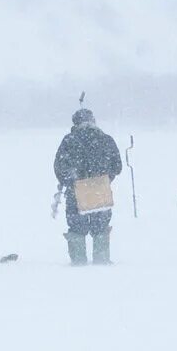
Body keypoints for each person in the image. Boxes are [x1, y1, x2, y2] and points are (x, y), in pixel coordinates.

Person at [54, 109, 122, 265]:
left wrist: (72, 181)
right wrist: (105, 178)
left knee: (77, 227)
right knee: (101, 226)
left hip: (76, 190)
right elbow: (117, 166)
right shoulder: (106, 140)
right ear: (93, 120)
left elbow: (59, 167)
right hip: (100, 189)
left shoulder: (69, 141)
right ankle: (102, 260)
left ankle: (78, 262)